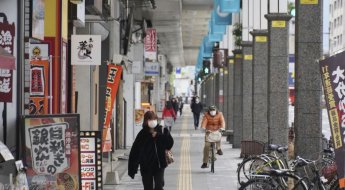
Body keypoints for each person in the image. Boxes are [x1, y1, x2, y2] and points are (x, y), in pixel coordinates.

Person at [128, 111, 174, 190]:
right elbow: (135, 151)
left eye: (154, 119)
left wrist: (159, 136)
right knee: (147, 187)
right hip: (146, 166)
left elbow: (170, 143)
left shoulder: (162, 130)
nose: (152, 121)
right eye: (150, 119)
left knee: (159, 186)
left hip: (159, 165)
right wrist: (132, 168)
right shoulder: (142, 134)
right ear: (146, 121)